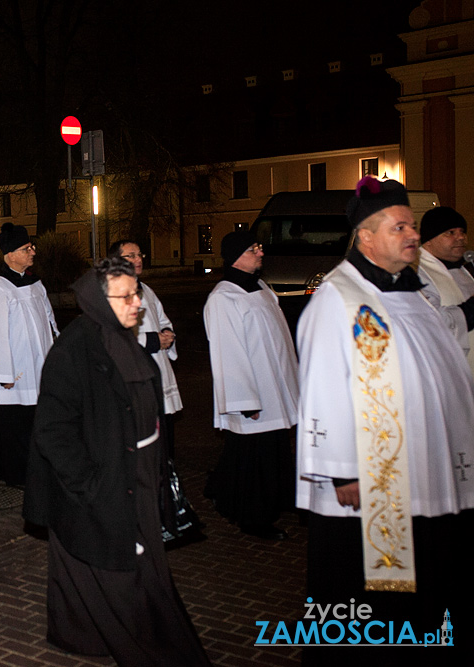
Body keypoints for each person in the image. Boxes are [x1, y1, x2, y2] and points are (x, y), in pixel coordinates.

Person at [297, 177, 474, 666]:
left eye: (412, 226)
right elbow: (323, 380)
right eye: (400, 227)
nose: (412, 235)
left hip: (424, 466)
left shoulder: (412, 293)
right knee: (371, 587)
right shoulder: (340, 297)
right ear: (366, 237)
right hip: (373, 484)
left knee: (422, 581)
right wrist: (344, 469)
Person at [24, 257, 210, 666]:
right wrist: (91, 485)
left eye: (137, 293)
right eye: (125, 296)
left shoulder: (124, 338)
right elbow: (53, 431)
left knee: (113, 565)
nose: (136, 304)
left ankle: (82, 633)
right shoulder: (72, 350)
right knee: (121, 570)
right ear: (98, 300)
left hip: (138, 473)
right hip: (103, 480)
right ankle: (153, 649)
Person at [203, 230, 298, 540]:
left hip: (276, 388)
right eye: (253, 248)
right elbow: (227, 352)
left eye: (260, 245)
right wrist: (245, 401)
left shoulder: (259, 287)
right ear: (235, 256)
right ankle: (255, 518)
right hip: (254, 395)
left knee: (261, 454)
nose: (260, 252)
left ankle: (225, 492)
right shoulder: (223, 297)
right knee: (254, 459)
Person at [110, 239, 201, 545]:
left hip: (159, 376)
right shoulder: (112, 292)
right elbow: (114, 339)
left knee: (165, 453)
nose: (138, 259)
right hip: (135, 385)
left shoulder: (147, 290)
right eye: (130, 255)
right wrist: (153, 341)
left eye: (139, 254)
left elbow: (162, 321)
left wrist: (167, 335)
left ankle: (167, 511)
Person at [0, 222, 58, 486]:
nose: (32, 252)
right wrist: (3, 372)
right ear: (10, 254)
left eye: (32, 247)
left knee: (32, 420)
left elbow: (49, 320)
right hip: (16, 370)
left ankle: (29, 467)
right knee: (13, 423)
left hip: (39, 364)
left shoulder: (35, 284)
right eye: (27, 248)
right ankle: (15, 472)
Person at [416, 206, 474, 376]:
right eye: (450, 232)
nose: (461, 238)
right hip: (447, 374)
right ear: (429, 240)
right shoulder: (418, 273)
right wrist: (470, 311)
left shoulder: (466, 270)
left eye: (462, 231)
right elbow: (432, 323)